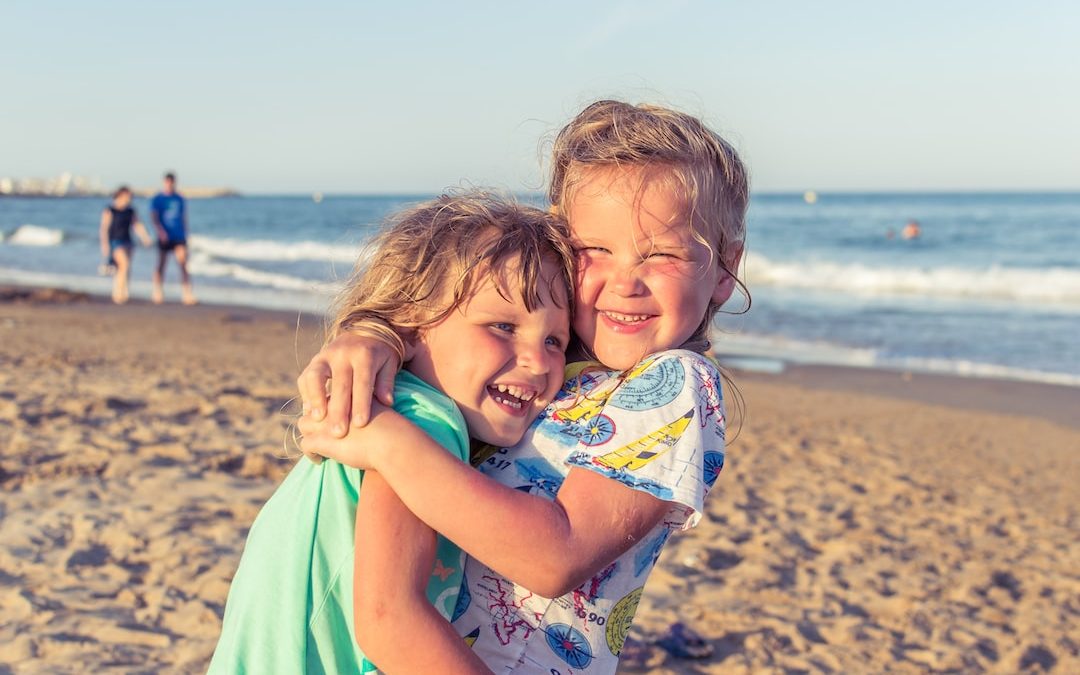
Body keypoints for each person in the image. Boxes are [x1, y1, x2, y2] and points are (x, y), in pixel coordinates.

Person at [297, 100, 749, 673]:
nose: (626, 282)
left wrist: (389, 442)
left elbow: (555, 557)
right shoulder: (550, 368)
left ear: (725, 271)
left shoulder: (675, 383)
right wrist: (377, 336)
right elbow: (456, 318)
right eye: (594, 251)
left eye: (661, 254)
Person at [208, 193, 574, 674]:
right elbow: (389, 620)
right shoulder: (422, 420)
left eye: (555, 341)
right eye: (502, 326)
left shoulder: (401, 407)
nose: (539, 361)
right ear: (410, 325)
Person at [98, 185, 152, 304]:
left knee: (124, 269)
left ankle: (122, 291)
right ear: (121, 195)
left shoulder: (130, 210)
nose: (130, 198)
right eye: (128, 195)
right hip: (115, 242)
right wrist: (105, 244)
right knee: (124, 265)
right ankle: (119, 294)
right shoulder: (110, 210)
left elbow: (137, 225)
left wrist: (145, 238)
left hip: (128, 242)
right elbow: (104, 228)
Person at [150, 172, 196, 305]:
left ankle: (187, 294)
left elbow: (184, 217)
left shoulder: (179, 199)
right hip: (164, 236)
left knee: (183, 263)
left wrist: (187, 234)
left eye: (172, 182)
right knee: (161, 264)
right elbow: (154, 217)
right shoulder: (158, 199)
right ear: (164, 182)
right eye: (167, 182)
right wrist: (160, 231)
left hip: (179, 235)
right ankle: (157, 292)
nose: (170, 184)